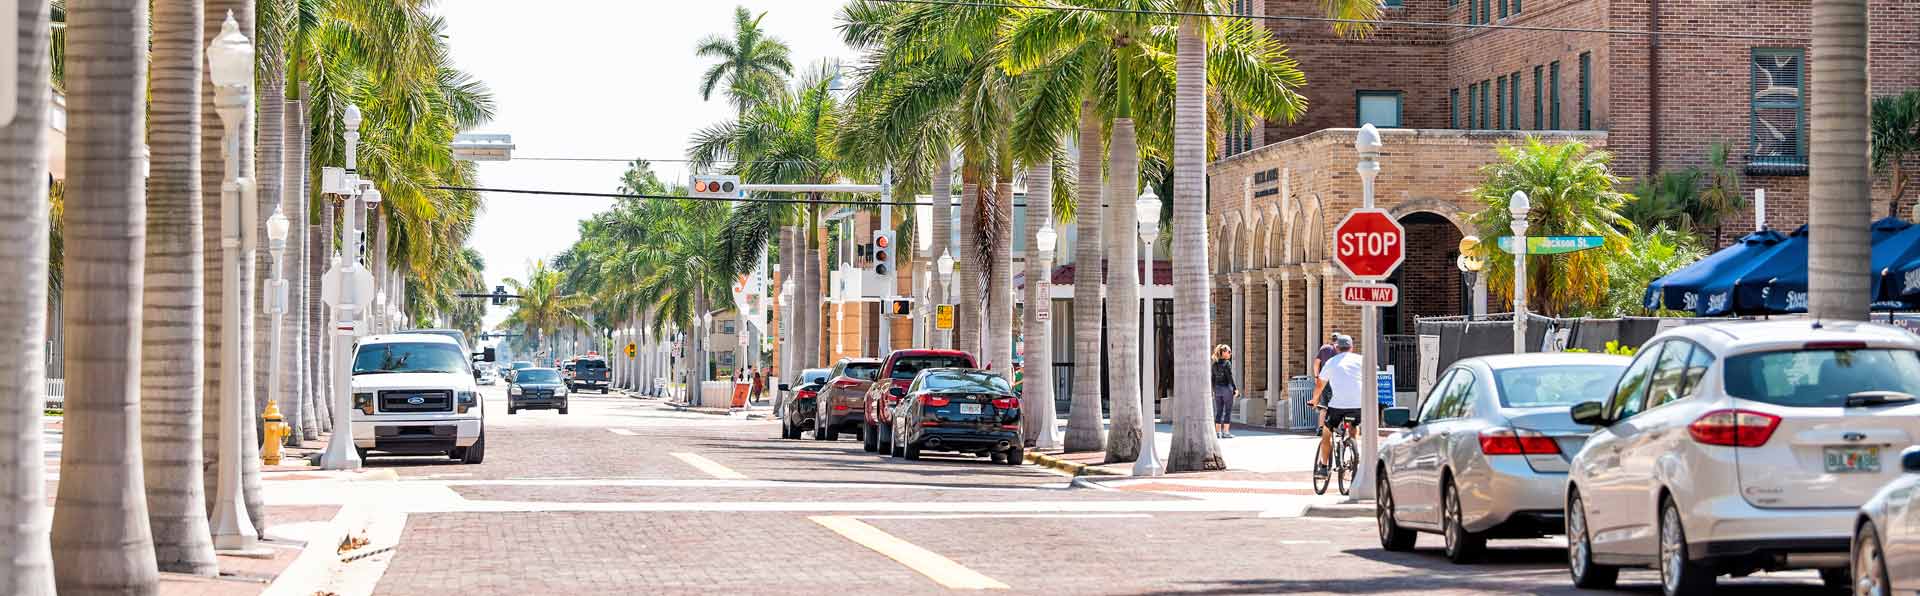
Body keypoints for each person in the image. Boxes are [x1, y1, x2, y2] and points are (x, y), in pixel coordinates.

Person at [1311, 334, 1363, 477]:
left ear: (1337, 348)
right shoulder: (1361, 360)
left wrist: (1315, 400)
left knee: (1326, 433)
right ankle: (1354, 452)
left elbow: (1320, 384)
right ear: (1351, 347)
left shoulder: (1332, 362)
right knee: (1353, 426)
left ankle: (1323, 466)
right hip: (1358, 405)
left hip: (1337, 407)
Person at [1211, 345, 1238, 439]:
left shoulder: (1214, 364)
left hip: (1217, 390)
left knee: (1218, 411)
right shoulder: (1227, 363)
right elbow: (1229, 377)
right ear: (1223, 352)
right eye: (1229, 352)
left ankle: (1218, 433)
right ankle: (1226, 432)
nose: (1230, 353)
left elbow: (1212, 379)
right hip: (1226, 389)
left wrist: (1214, 390)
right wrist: (1235, 389)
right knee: (1227, 411)